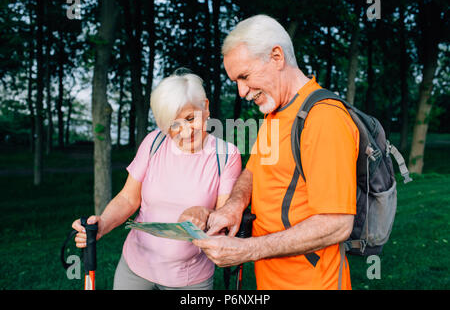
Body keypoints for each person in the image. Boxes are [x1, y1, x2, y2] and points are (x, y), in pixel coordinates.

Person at [193, 15, 359, 290]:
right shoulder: (277, 113)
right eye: (236, 81)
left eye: (244, 76)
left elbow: (337, 223)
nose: (242, 91)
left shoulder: (324, 119)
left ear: (277, 57)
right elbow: (252, 172)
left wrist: (247, 250)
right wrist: (233, 206)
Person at [72, 71, 241, 290]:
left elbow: (224, 220)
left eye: (191, 118)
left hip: (189, 278)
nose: (185, 131)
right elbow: (128, 198)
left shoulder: (227, 155)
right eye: (174, 124)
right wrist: (102, 225)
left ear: (206, 107)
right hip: (135, 267)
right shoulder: (153, 142)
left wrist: (204, 213)